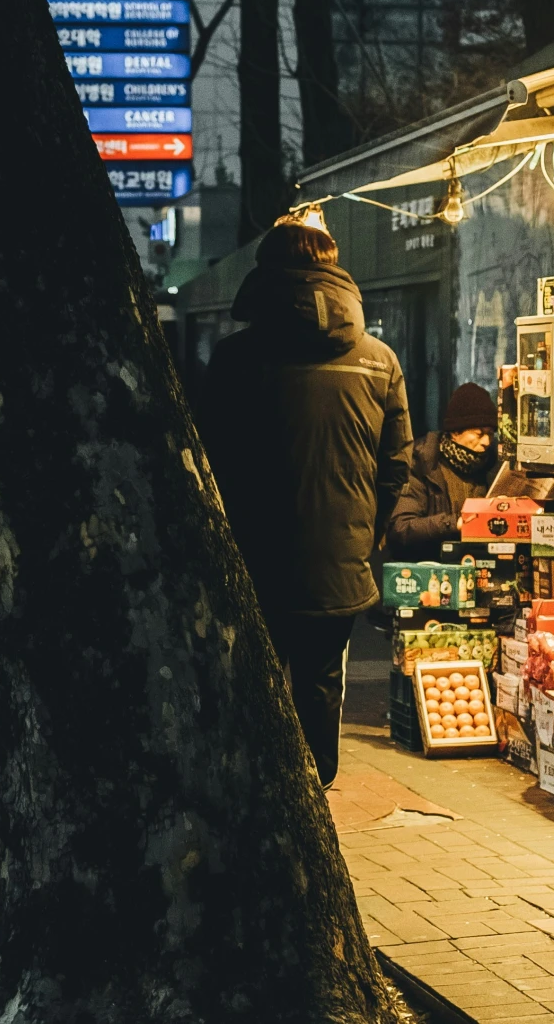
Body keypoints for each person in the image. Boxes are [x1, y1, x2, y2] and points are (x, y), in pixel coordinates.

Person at [197, 222, 411, 787]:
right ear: (335, 269)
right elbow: (396, 466)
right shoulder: (379, 360)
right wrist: (364, 534)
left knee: (254, 679)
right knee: (320, 682)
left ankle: (261, 793)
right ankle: (315, 788)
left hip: (252, 556)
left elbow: (207, 459)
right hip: (338, 556)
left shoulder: (234, 359)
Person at [384, 382, 501, 563]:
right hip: (429, 568)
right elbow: (401, 527)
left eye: (491, 434)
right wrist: (454, 524)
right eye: (479, 434)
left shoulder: (492, 468)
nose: (486, 441)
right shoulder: (422, 464)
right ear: (455, 432)